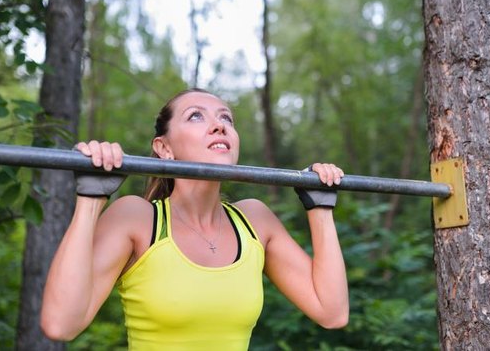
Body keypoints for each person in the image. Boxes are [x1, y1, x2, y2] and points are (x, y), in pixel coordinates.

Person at [40, 88, 348, 350]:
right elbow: (60, 324)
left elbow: (331, 312)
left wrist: (320, 206)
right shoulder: (137, 219)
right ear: (164, 148)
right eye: (196, 116)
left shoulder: (255, 221)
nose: (219, 126)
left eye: (226, 117)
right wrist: (90, 199)